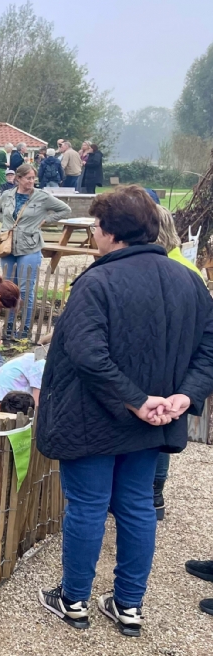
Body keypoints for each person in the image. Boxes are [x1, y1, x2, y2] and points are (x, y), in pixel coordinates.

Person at [35, 185, 213, 637]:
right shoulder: (189, 279)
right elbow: (208, 348)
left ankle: (74, 599)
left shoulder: (97, 282)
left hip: (95, 415)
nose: (95, 233)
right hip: (156, 419)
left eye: (97, 226)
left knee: (90, 506)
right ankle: (128, 605)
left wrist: (139, 399)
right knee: (136, 506)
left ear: (111, 231)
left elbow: (86, 353)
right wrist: (183, 397)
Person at [151, 205, 204, 519]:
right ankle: (154, 496)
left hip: (165, 363)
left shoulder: (165, 270)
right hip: (179, 363)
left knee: (157, 429)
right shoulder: (187, 267)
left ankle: (151, 494)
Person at [0, 163, 72, 339]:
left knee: (26, 289)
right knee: (8, 289)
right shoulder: (7, 195)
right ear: (18, 179)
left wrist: (45, 220)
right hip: (8, 246)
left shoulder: (42, 196)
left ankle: (25, 328)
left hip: (30, 246)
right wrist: (6, 225)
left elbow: (65, 209)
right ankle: (9, 326)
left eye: (34, 178)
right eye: (28, 178)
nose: (32, 181)